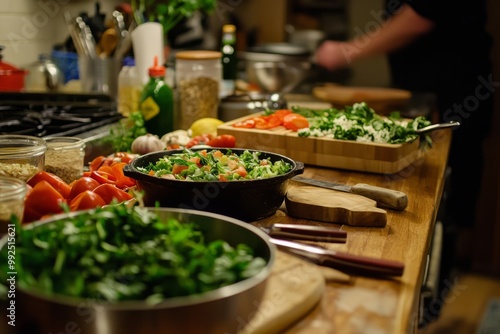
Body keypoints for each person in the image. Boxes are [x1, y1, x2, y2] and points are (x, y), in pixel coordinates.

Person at [315, 0, 494, 320]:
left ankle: (427, 306)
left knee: (445, 200)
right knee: (437, 201)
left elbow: (423, 15)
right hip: (428, 91)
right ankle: (428, 299)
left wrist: (349, 50)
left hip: (455, 92)